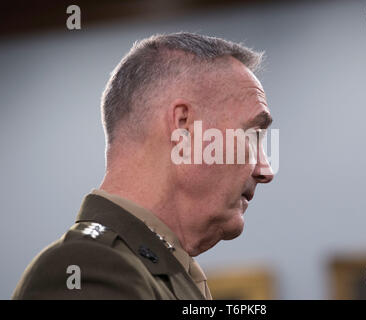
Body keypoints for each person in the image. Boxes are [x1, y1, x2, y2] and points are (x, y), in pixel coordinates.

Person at [12, 32, 274, 300]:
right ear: (183, 128)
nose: (266, 170)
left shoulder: (160, 270)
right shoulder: (89, 268)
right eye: (252, 135)